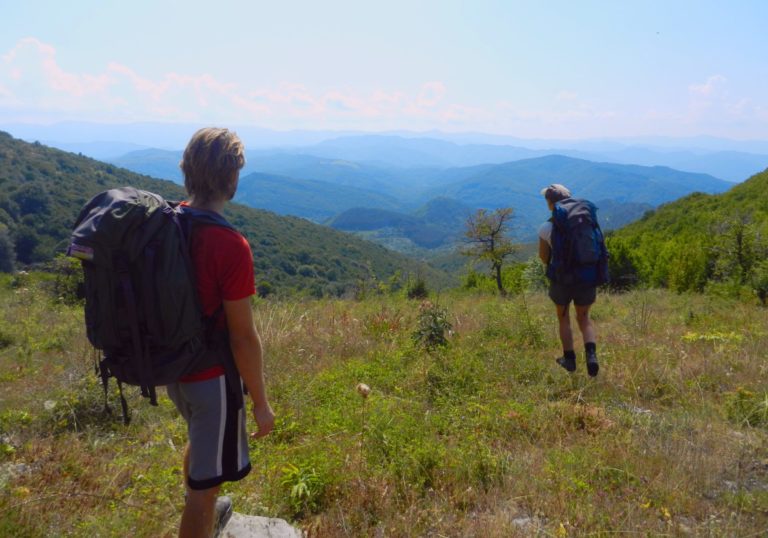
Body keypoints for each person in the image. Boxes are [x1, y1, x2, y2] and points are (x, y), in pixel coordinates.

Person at [166, 127, 275, 538]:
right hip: (210, 378)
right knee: (205, 490)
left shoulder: (172, 223)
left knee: (201, 451)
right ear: (232, 178)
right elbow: (242, 337)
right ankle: (205, 510)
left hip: (175, 367)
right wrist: (261, 404)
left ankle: (206, 500)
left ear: (187, 171)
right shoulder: (230, 245)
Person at [538, 184, 600, 377]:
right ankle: (591, 357)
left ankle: (569, 359)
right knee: (584, 318)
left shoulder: (547, 227)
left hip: (562, 279)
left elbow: (543, 257)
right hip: (587, 276)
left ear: (550, 203)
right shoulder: (586, 220)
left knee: (563, 318)